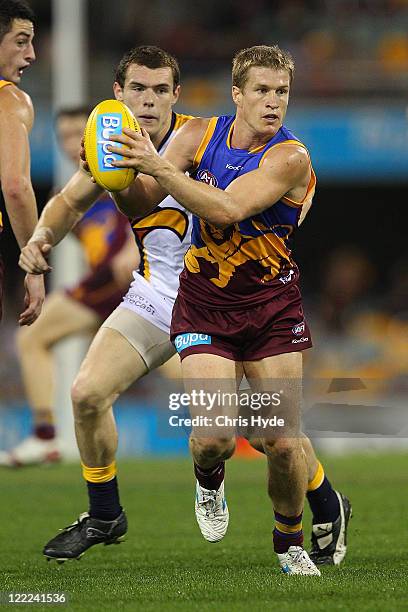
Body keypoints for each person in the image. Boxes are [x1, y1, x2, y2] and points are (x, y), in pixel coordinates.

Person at [20, 46, 349, 570]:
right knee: (87, 394)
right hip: (160, 300)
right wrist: (41, 239)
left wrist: (142, 166)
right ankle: (105, 515)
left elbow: (228, 206)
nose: (147, 102)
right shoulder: (116, 146)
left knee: (270, 435)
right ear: (118, 96)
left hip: (232, 296)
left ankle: (323, 498)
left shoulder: (201, 136)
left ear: (177, 95)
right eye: (137, 91)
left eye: (158, 91)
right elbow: (76, 201)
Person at [0, 106, 138, 467]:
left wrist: (132, 246)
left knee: (36, 339)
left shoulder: (119, 172)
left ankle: (46, 438)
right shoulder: (73, 191)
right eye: (63, 135)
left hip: (135, 283)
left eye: (79, 132)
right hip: (106, 287)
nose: (71, 142)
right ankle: (47, 438)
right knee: (35, 339)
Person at [0, 0, 44, 325]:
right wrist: (34, 262)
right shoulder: (10, 100)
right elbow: (16, 185)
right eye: (21, 40)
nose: (31, 54)